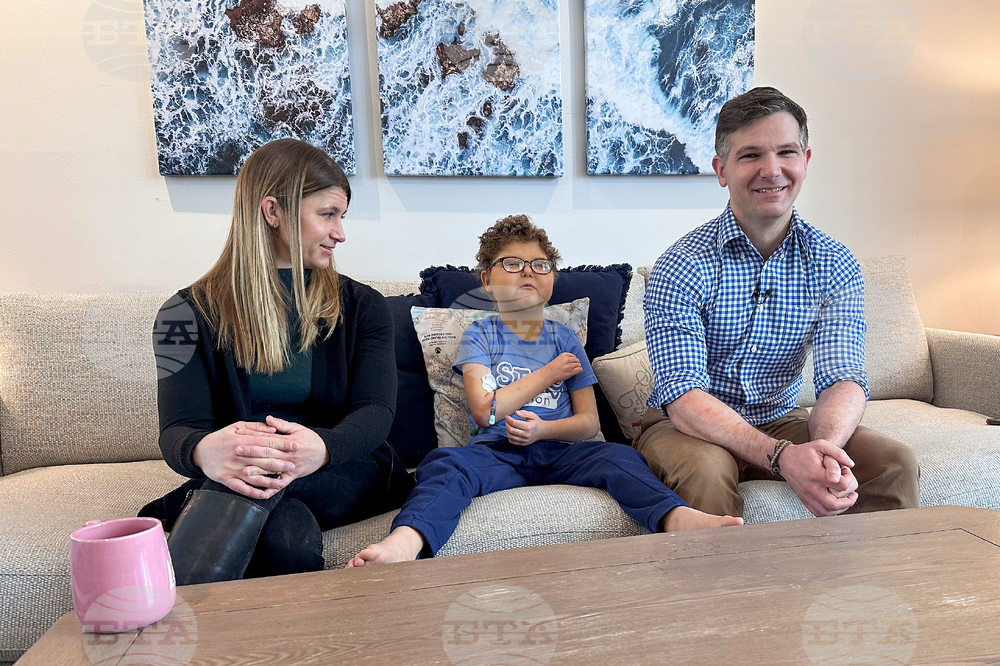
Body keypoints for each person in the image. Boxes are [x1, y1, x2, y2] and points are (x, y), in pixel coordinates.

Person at [348, 216, 741, 567]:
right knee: (444, 464)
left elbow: (588, 424)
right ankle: (406, 540)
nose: (528, 274)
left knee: (619, 457)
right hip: (495, 455)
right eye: (513, 265)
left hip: (561, 454)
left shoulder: (564, 338)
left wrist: (543, 431)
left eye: (540, 266)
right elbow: (485, 411)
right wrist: (549, 373)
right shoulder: (480, 335)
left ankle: (677, 517)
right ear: (486, 280)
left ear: (552, 279)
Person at [633, 87, 920, 519]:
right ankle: (724, 589)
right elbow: (684, 396)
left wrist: (824, 449)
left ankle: (862, 585)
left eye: (786, 151)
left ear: (805, 161)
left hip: (782, 417)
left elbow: (843, 378)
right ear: (721, 169)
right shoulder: (682, 264)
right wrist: (781, 455)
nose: (772, 170)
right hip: (686, 428)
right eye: (750, 155)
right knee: (707, 473)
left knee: (894, 463)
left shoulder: (834, 262)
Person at [140, 138, 412, 584]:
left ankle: (164, 627)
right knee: (285, 535)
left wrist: (320, 448)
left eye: (341, 217)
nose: (340, 233)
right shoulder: (181, 314)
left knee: (257, 481)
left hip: (343, 467)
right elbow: (177, 430)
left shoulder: (365, 306)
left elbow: (375, 414)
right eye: (328, 214)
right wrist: (206, 451)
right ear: (273, 212)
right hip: (245, 473)